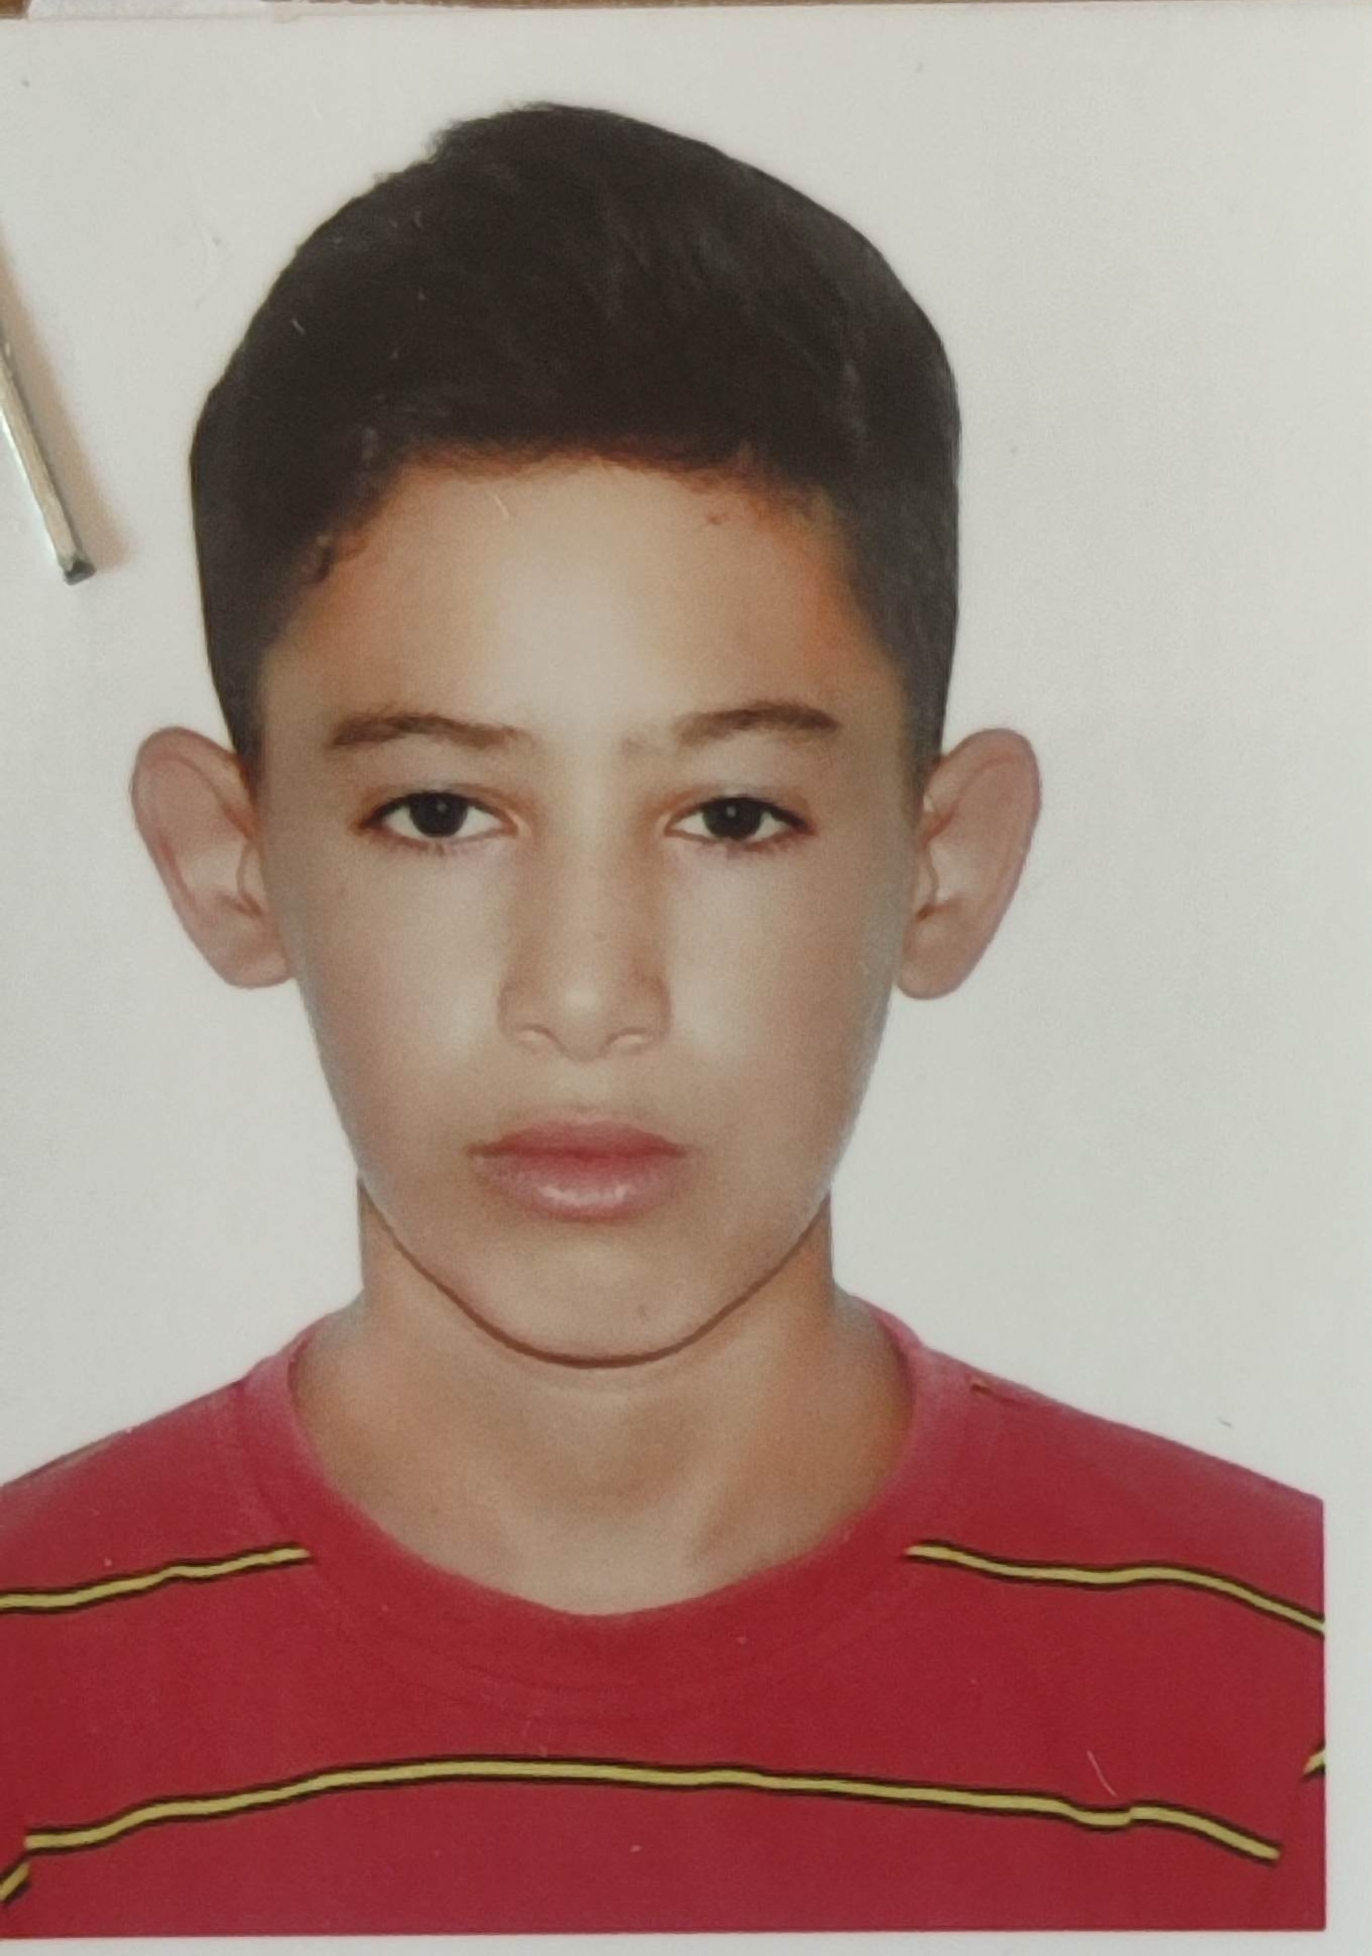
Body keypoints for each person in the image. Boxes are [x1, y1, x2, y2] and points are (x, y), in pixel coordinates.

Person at [0, 102, 1321, 1935]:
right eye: (441, 813)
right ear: (230, 865)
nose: (585, 995)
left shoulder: (1293, 1721)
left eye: (732, 817)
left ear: (945, 868)